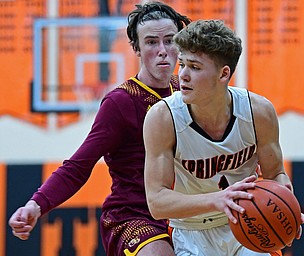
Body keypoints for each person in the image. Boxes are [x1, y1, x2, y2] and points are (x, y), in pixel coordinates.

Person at [8, 2, 190, 256]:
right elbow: (78, 166)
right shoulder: (121, 102)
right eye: (151, 42)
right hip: (134, 217)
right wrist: (36, 205)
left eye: (170, 41)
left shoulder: (187, 92)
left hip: (185, 212)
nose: (162, 50)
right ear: (136, 48)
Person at [143, 19, 304, 256]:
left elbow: (275, 173)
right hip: (192, 230)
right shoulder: (162, 117)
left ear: (223, 73)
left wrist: (286, 205)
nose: (183, 76)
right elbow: (157, 202)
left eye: (195, 67)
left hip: (247, 222)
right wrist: (219, 199)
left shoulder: (258, 112)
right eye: (182, 64)